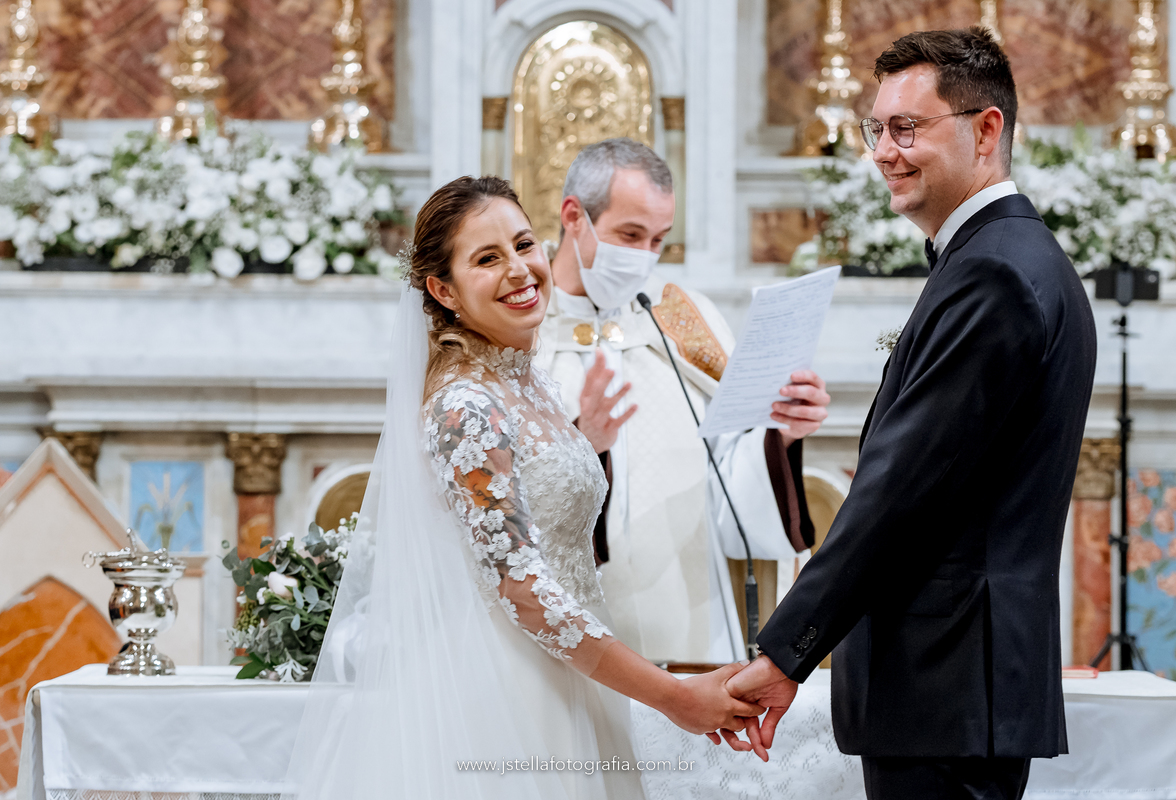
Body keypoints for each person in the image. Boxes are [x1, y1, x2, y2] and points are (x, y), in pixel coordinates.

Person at [283, 176, 763, 800]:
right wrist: (670, 695)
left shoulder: (524, 383)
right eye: (487, 259)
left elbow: (529, 497)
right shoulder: (465, 405)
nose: (519, 270)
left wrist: (581, 442)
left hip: (566, 676)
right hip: (504, 691)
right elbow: (519, 585)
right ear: (442, 290)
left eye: (523, 244)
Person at [716, 28, 1098, 800]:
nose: (885, 152)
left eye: (908, 129)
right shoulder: (1008, 258)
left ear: (985, 129)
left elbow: (899, 491)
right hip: (953, 690)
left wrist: (787, 650)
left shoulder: (994, 273)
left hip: (947, 685)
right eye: (877, 130)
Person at [539, 138, 831, 663]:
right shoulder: (519, 328)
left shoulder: (681, 319)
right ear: (573, 216)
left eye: (658, 240)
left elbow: (728, 475)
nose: (645, 258)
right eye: (630, 235)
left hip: (694, 628)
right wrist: (584, 447)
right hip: (566, 637)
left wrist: (780, 434)